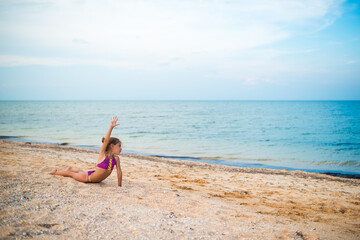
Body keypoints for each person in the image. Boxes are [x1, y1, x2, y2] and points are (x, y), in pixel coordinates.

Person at [50, 116, 123, 187]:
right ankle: (55, 172)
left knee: (82, 172)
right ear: (112, 146)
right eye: (119, 146)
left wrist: (119, 186)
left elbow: (119, 172)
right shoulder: (103, 154)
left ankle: (71, 168)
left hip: (95, 177)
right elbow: (106, 140)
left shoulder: (116, 159)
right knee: (71, 174)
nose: (121, 148)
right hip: (87, 179)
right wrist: (111, 127)